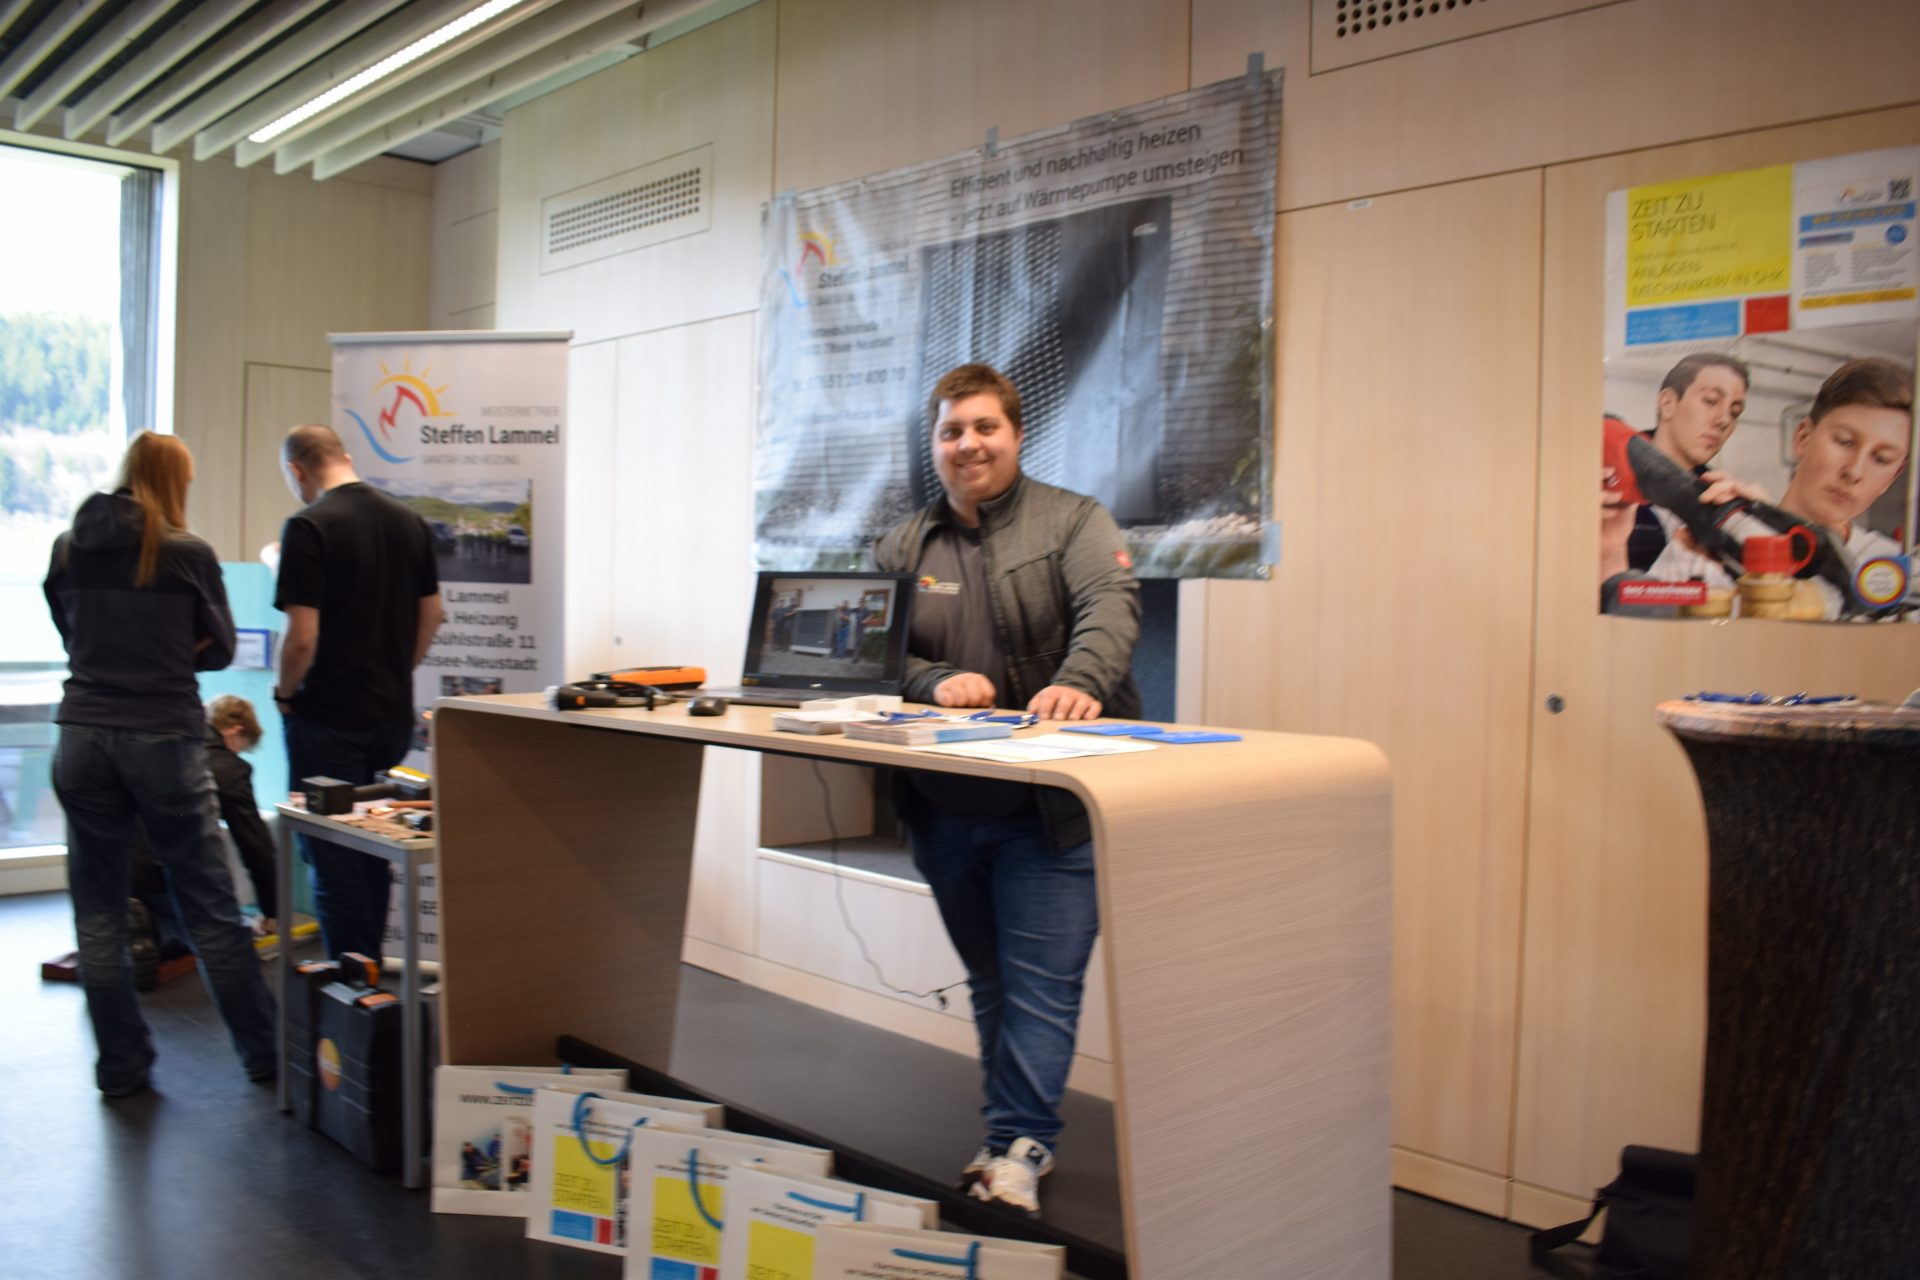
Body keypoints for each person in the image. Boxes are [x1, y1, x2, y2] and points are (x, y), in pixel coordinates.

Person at [872, 363, 1141, 1218]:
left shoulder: (1075, 521)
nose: (969, 444)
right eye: (951, 431)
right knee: (991, 978)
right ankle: (1008, 1139)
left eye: (985, 427)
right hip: (943, 805)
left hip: (1050, 812)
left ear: (1017, 435)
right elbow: (879, 655)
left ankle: (1019, 1145)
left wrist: (1079, 683)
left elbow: (1110, 606)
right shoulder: (902, 545)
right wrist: (932, 680)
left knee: (1041, 986)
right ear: (934, 444)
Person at [43, 431, 279, 1095]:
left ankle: (120, 1068)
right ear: (176, 481)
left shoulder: (68, 547)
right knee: (209, 906)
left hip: (82, 733)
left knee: (98, 915)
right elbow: (221, 648)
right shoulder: (185, 552)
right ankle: (263, 1055)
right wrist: (174, 649)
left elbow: (68, 630)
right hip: (162, 737)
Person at [274, 424, 445, 961]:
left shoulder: (309, 526)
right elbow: (433, 613)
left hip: (328, 719)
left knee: (333, 859)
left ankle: (353, 988)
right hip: (389, 718)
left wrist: (284, 694)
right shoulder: (409, 521)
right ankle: (372, 982)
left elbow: (302, 638)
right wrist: (399, 668)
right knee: (374, 847)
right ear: (344, 456)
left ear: (297, 469)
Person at [1647, 356, 1914, 619]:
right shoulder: (1704, 544)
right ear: (1803, 438)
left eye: (1881, 459)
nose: (1854, 471)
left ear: (1891, 478)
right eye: (1844, 442)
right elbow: (1640, 632)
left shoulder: (1898, 575)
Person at [1624, 353, 1750, 570]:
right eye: (1710, 401)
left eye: (1734, 412)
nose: (1724, 420)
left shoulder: (1722, 503)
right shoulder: (1605, 477)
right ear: (1668, 403)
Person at [206, 694, 278, 931]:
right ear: (234, 730)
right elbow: (256, 847)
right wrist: (272, 912)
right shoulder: (229, 769)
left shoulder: (178, 741)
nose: (236, 756)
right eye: (240, 748)